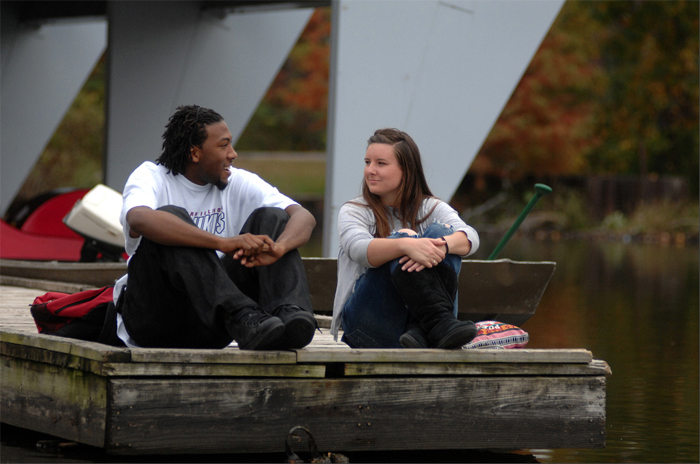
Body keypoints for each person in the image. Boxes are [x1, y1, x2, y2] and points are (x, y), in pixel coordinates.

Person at [111, 105, 317, 351]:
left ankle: (289, 313)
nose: (233, 154)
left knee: (273, 217)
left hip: (214, 323)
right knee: (169, 218)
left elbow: (303, 216)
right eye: (223, 145)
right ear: (194, 153)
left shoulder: (237, 181)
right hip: (156, 322)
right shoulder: (151, 176)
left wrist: (279, 247)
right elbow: (139, 218)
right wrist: (222, 242)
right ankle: (242, 313)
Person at [330, 128, 480, 349]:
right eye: (367, 162)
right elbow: (358, 249)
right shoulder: (354, 210)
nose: (370, 170)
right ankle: (437, 323)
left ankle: (424, 328)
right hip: (368, 329)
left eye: (381, 163)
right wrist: (405, 243)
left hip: (416, 337)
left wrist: (441, 246)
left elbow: (471, 239)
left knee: (443, 235)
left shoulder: (430, 207)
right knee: (402, 241)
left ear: (407, 169)